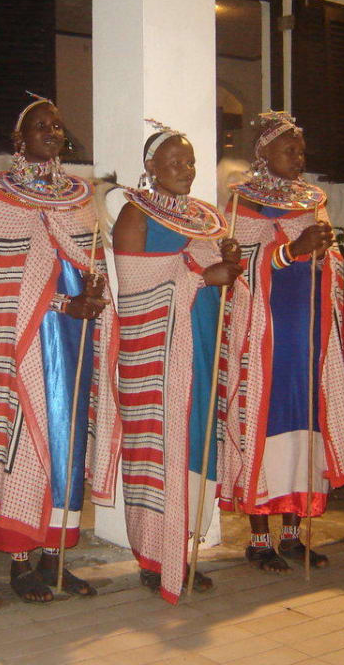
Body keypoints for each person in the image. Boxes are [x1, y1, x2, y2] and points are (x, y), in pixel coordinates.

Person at [0, 96, 121, 603]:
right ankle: (20, 563)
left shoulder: (79, 196)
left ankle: (56, 560)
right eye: (41, 126)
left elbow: (93, 257)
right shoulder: (2, 195)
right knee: (27, 443)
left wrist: (95, 290)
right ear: (20, 140)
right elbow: (0, 277)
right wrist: (64, 301)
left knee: (69, 443)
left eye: (58, 125)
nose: (52, 131)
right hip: (29, 340)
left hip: (76, 335)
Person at [112, 121, 247, 603]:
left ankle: (184, 548)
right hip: (156, 356)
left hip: (202, 344)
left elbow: (216, 276)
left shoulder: (206, 217)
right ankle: (153, 556)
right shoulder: (134, 215)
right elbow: (133, 295)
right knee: (160, 448)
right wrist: (203, 276)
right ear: (151, 167)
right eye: (174, 162)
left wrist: (229, 265)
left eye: (189, 161)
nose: (185, 170)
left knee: (196, 444)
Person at [223, 112, 344, 571]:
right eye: (289, 149)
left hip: (308, 329)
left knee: (306, 418)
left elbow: (330, 255)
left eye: (301, 150)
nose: (299, 158)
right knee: (265, 421)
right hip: (266, 332)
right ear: (263, 152)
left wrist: (328, 253)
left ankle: (294, 532)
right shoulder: (243, 202)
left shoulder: (312, 198)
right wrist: (291, 251)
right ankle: (259, 538)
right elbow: (238, 266)